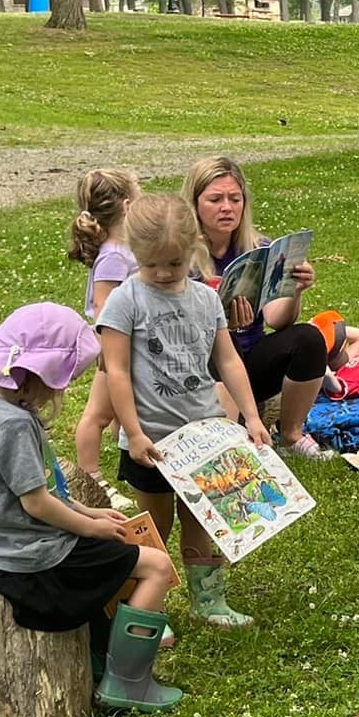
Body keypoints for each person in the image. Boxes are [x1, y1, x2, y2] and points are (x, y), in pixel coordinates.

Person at [0, 302, 182, 712]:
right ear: (39, 372)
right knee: (157, 567)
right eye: (60, 382)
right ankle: (128, 684)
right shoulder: (12, 424)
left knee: (118, 563)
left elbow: (30, 491)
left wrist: (89, 511)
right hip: (37, 564)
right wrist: (90, 529)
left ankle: (98, 660)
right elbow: (37, 503)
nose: (60, 392)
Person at [98, 195, 274, 630]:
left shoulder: (205, 299)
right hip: (151, 441)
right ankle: (147, 605)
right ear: (134, 254)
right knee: (153, 526)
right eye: (151, 264)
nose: (162, 273)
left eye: (174, 264)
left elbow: (228, 360)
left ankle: (208, 599)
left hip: (204, 436)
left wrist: (250, 417)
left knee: (203, 518)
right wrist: (134, 433)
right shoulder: (125, 301)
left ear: (193, 247)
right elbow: (116, 372)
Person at [184, 155, 331, 459]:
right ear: (195, 204)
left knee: (309, 338)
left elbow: (278, 320)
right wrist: (224, 323)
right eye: (215, 199)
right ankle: (229, 442)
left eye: (235, 199)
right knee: (227, 341)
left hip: (253, 362)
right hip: (202, 370)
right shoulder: (181, 254)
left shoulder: (260, 247)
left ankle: (291, 435)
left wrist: (295, 290)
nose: (227, 207)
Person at [67, 168, 140, 475]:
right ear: (126, 206)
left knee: (124, 405)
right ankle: (91, 476)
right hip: (115, 347)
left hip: (130, 342)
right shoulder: (113, 255)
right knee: (97, 414)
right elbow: (103, 305)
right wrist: (109, 352)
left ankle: (125, 446)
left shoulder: (125, 249)